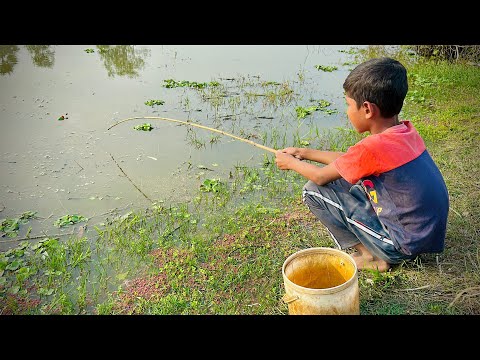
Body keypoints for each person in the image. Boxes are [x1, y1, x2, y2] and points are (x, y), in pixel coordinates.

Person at [275, 57, 449, 272]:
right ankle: (377, 248)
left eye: (348, 104)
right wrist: (304, 153)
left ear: (367, 109)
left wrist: (290, 163)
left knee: (313, 192)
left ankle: (371, 256)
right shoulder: (403, 132)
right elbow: (350, 161)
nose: (347, 111)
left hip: (402, 245)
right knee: (352, 183)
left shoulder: (373, 147)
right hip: (424, 235)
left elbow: (320, 177)